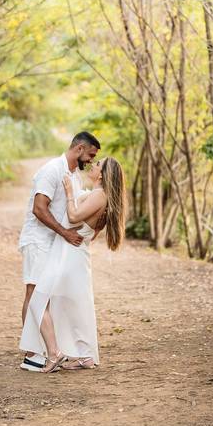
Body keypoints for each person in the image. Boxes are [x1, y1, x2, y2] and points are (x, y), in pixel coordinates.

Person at [19, 157, 126, 373]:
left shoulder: (99, 195)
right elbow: (90, 232)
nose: (93, 166)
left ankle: (54, 353)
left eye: (97, 165)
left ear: (102, 174)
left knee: (37, 301)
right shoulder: (98, 195)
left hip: (70, 254)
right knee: (75, 305)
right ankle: (85, 355)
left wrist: (69, 192)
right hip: (73, 252)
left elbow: (74, 215)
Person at [16, 132, 101, 371]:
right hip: (38, 241)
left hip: (54, 243)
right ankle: (33, 354)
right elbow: (39, 209)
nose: (91, 161)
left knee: (45, 296)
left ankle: (44, 350)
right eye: (90, 155)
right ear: (79, 148)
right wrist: (65, 233)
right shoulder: (51, 170)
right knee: (34, 293)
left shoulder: (74, 176)